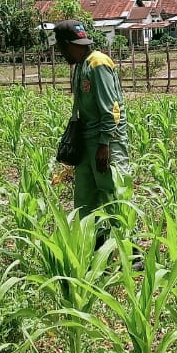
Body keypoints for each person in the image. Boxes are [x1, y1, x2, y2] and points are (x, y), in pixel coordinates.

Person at [54, 19, 134, 254]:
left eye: (60, 48)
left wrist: (104, 144)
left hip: (106, 141)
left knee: (114, 194)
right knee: (85, 200)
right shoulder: (81, 65)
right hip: (87, 141)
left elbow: (112, 108)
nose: (60, 53)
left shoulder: (98, 63)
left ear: (68, 45)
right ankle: (97, 246)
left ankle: (130, 251)